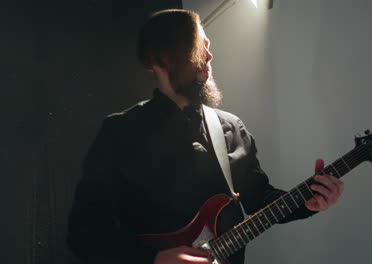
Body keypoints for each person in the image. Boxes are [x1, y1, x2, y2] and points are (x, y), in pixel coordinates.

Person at [67, 9, 344, 264]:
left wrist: (308, 202)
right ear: (160, 57)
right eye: (199, 47)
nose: (209, 56)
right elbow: (84, 234)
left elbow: (259, 197)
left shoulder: (231, 128)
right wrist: (153, 259)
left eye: (209, 48)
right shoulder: (119, 132)